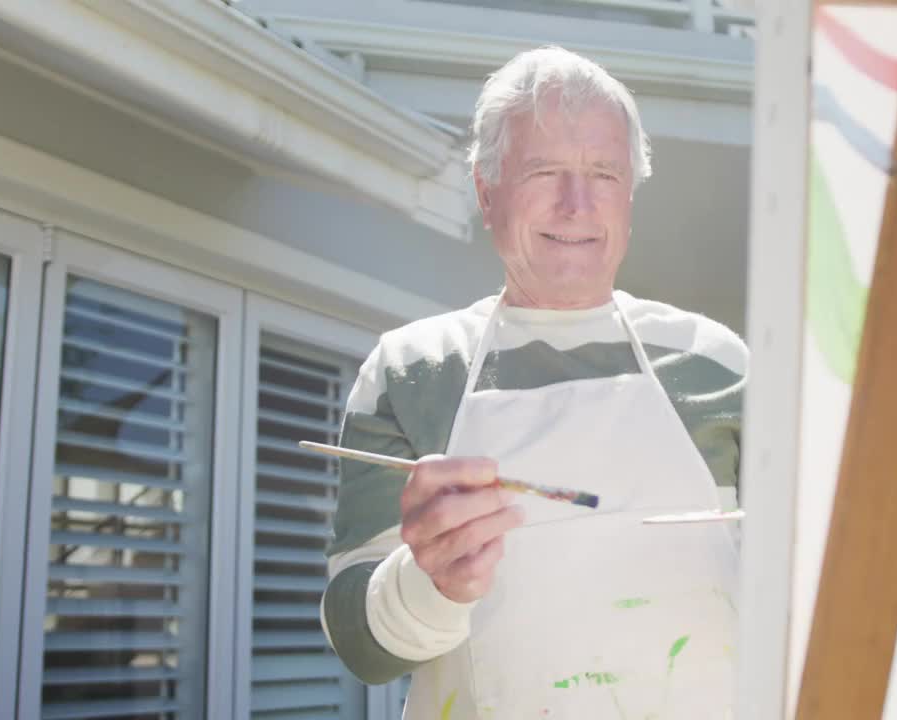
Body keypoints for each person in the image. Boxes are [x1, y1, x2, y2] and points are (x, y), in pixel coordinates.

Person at [319, 45, 747, 719]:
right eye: (545, 171)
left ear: (628, 199)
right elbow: (356, 643)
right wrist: (430, 584)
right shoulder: (410, 371)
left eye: (603, 174)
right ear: (487, 195)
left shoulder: (719, 363)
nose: (577, 205)